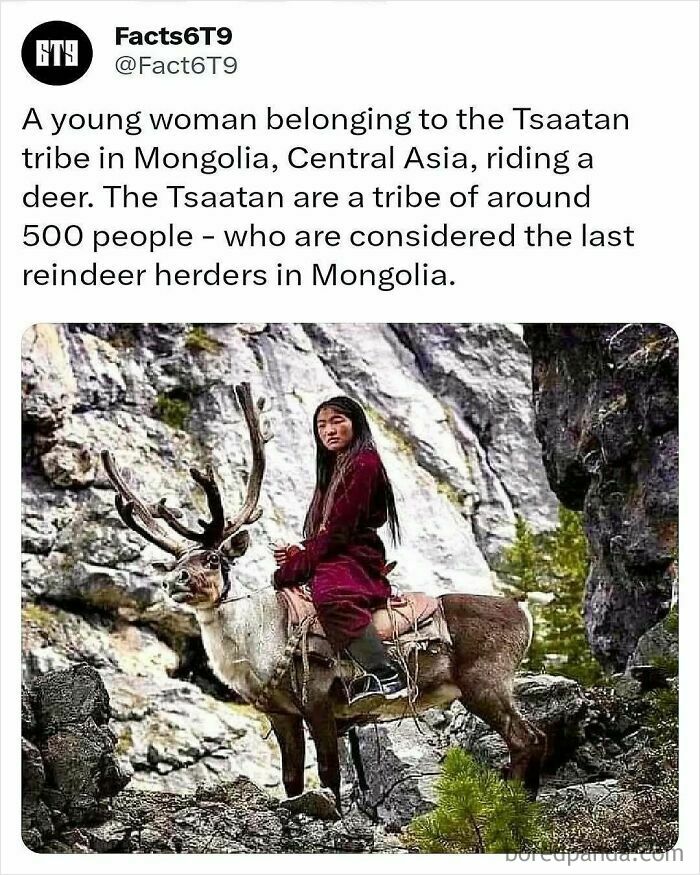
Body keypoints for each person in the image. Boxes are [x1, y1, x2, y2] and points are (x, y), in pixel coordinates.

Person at [272, 396, 408, 703]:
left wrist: (297, 565)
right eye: (321, 425)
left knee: (333, 597)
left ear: (355, 424)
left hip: (355, 552)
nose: (329, 431)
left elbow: (340, 531)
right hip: (341, 548)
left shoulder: (364, 462)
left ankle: (387, 675)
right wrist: (300, 549)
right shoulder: (335, 465)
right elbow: (329, 529)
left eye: (337, 421)